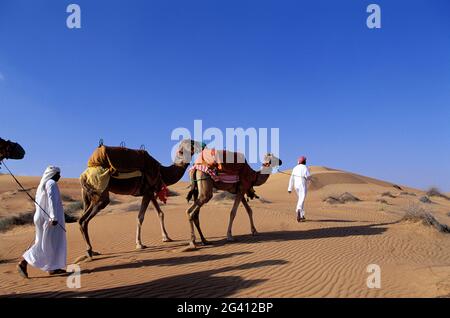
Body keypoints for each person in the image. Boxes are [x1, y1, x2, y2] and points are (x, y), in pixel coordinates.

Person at [17, 166, 67, 278]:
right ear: (53, 174)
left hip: (41, 217)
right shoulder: (51, 183)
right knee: (44, 243)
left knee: (48, 242)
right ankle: (23, 262)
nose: (59, 176)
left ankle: (53, 268)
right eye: (58, 174)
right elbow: (51, 200)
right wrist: (53, 217)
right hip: (49, 219)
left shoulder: (42, 184)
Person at [288, 156, 311, 222]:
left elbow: (291, 178)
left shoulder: (295, 168)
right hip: (302, 185)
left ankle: (302, 215)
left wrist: (289, 188)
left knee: (300, 199)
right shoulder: (305, 167)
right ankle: (298, 210)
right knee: (302, 199)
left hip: (296, 186)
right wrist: (308, 179)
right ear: (304, 161)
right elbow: (308, 176)